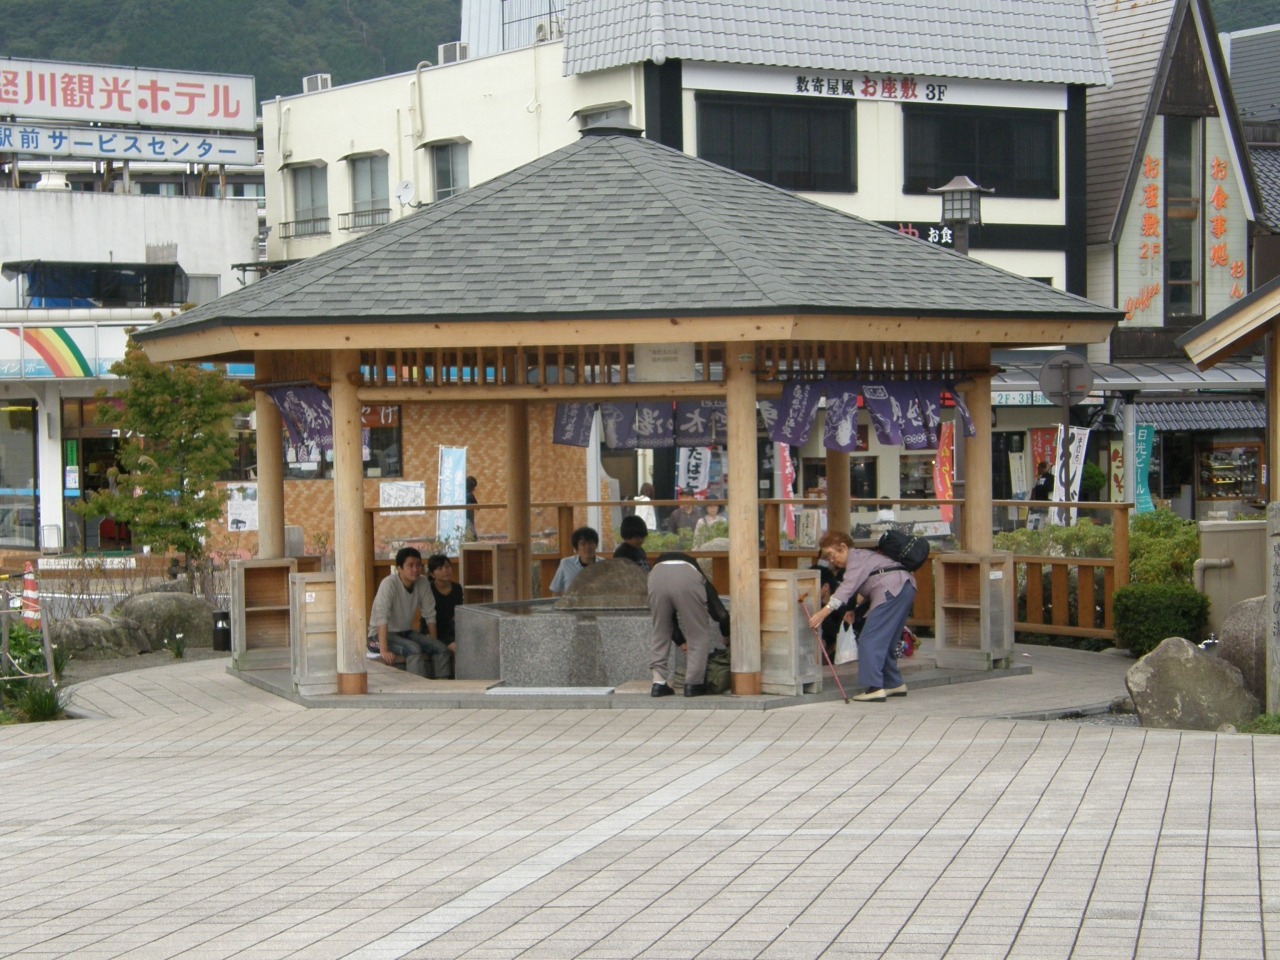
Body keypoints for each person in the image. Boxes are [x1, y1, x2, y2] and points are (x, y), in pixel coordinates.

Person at [807, 531, 915, 702]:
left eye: (831, 555)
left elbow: (847, 588)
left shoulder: (855, 559)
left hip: (891, 589)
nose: (831, 560)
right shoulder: (864, 557)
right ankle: (893, 683)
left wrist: (823, 612)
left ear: (843, 547)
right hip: (904, 587)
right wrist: (854, 610)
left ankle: (875, 687)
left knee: (869, 639)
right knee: (887, 640)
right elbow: (871, 584)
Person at [648, 552, 730, 698]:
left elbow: (670, 622)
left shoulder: (662, 568)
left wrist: (681, 643)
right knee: (697, 631)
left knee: (660, 629)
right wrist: (726, 635)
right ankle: (693, 685)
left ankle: (658, 683)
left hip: (656, 575)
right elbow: (721, 613)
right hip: (687, 576)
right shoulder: (697, 574)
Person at [367, 546, 452, 679]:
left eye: (418, 565)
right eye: (410, 565)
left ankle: (442, 684)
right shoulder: (389, 583)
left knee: (440, 648)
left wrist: (433, 641)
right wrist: (383, 650)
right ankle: (418, 686)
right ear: (399, 568)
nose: (415, 569)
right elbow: (381, 616)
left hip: (406, 632)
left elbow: (429, 613)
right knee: (414, 649)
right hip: (379, 635)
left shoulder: (423, 582)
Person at [549, 526, 601, 595]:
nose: (587, 547)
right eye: (583, 544)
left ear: (596, 545)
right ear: (577, 547)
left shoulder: (604, 564)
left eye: (591, 543)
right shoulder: (566, 564)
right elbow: (556, 590)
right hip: (572, 602)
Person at [426, 554, 464, 648]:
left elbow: (458, 612)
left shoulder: (457, 588)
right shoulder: (428, 589)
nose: (445, 570)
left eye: (447, 567)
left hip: (451, 628)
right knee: (458, 648)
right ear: (432, 574)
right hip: (433, 629)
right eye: (440, 568)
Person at [464, 476, 478, 540]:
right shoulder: (470, 495)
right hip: (469, 519)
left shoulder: (461, 494)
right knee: (473, 537)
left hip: (460, 518)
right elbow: (477, 507)